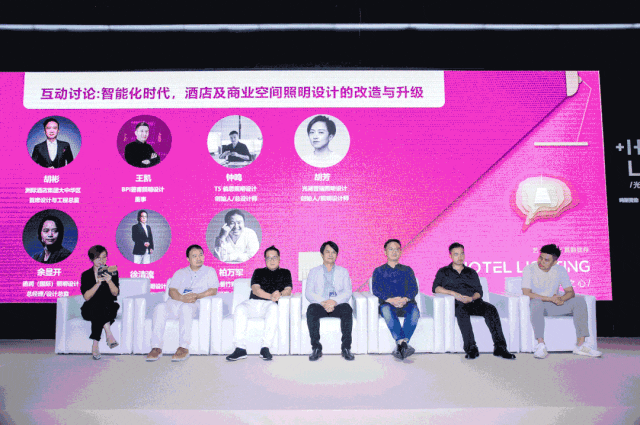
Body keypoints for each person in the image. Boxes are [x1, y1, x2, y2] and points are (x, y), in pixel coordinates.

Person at [433, 242, 516, 360]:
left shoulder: (471, 272)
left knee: (491, 309)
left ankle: (500, 348)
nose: (460, 257)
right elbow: (436, 288)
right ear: (450, 256)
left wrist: (471, 298)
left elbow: (479, 292)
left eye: (462, 254)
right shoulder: (443, 271)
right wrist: (453, 293)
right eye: (456, 254)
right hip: (457, 303)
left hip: (473, 302)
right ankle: (471, 348)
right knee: (461, 311)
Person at [522, 244, 602, 358]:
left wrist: (561, 299)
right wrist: (550, 299)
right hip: (538, 306)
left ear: (554, 262)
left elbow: (570, 292)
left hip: (554, 305)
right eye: (540, 258)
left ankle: (581, 345)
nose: (541, 262)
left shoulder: (560, 270)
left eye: (546, 260)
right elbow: (527, 293)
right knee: (536, 302)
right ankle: (540, 345)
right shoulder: (529, 269)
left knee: (579, 301)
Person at [146, 245, 219, 362]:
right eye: (194, 256)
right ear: (188, 259)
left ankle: (183, 347)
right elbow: (172, 291)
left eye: (201, 255)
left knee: (186, 307)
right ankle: (156, 347)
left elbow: (213, 290)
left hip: (196, 303)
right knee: (160, 307)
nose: (199, 258)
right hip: (177, 301)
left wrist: (197, 296)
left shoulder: (210, 271)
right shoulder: (180, 273)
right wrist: (182, 298)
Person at [226, 245, 292, 361]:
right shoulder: (258, 272)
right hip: (254, 302)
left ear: (279, 258)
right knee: (240, 308)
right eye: (268, 258)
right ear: (265, 259)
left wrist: (280, 294)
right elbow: (256, 289)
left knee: (274, 308)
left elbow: (288, 290)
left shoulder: (285, 272)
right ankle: (240, 348)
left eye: (274, 257)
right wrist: (271, 296)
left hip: (270, 305)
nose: (271, 260)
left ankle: (265, 348)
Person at [305, 241, 355, 361]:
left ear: (337, 255)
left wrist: (334, 301)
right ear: (322, 254)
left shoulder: (343, 272)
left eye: (333, 252)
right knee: (311, 309)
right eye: (327, 252)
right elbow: (308, 293)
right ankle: (316, 348)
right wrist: (323, 302)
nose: (330, 254)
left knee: (347, 308)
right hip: (320, 305)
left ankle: (346, 348)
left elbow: (347, 292)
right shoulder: (313, 271)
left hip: (337, 305)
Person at [372, 239, 420, 360]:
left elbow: (414, 288)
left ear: (400, 252)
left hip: (407, 303)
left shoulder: (407, 270)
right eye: (391, 249)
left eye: (397, 249)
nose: (394, 252)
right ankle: (403, 344)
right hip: (388, 304)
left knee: (415, 312)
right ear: (385, 252)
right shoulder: (378, 271)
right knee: (386, 310)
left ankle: (400, 344)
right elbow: (376, 290)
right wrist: (390, 300)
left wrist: (405, 299)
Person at [80, 245, 120, 360]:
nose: (102, 260)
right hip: (90, 308)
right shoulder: (86, 275)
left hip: (109, 307)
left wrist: (109, 281)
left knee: (101, 309)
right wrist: (98, 283)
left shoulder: (112, 272)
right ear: (91, 259)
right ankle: (109, 334)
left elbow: (115, 293)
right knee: (96, 307)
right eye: (98, 258)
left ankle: (95, 344)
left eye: (104, 257)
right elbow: (87, 297)